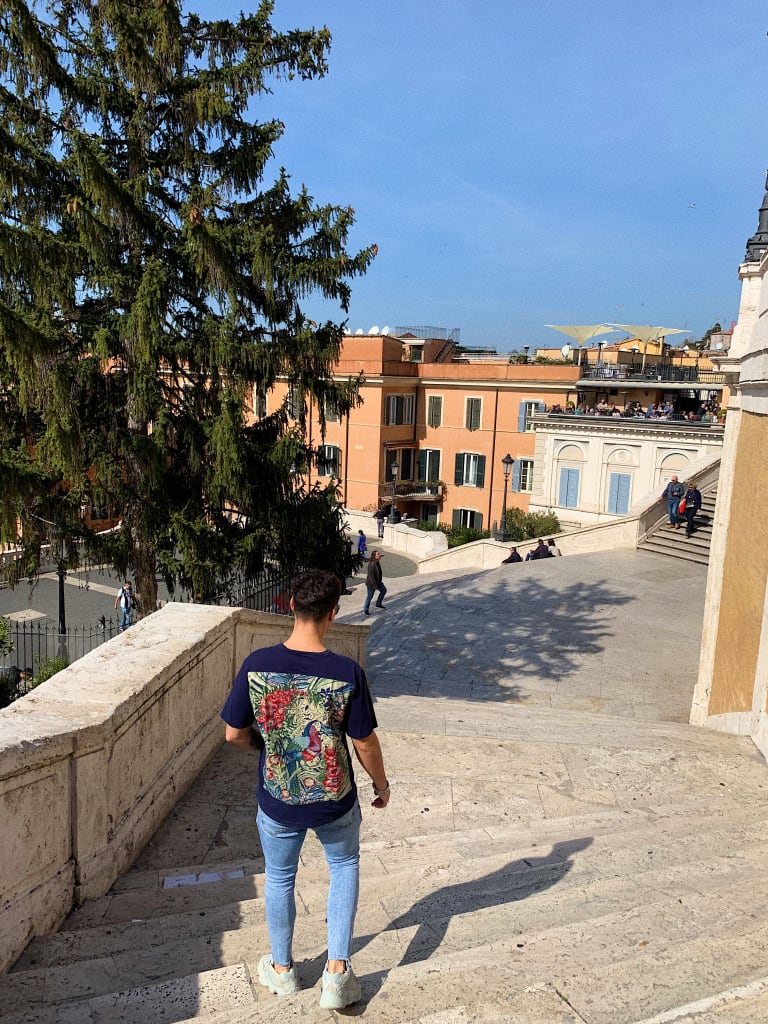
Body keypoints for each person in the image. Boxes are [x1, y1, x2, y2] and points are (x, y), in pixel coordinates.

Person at [221, 570, 390, 1009]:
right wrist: (381, 783)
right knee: (345, 865)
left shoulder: (256, 666)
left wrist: (268, 748)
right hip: (336, 798)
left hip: (278, 797)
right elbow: (364, 741)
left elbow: (232, 734)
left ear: (290, 605)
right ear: (333, 614)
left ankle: (283, 971)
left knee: (279, 878)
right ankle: (336, 975)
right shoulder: (346, 672)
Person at [363, 550, 387, 614]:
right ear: (374, 556)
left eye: (379, 554)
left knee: (384, 590)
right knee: (370, 596)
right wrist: (375, 586)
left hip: (378, 582)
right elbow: (371, 577)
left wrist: (379, 582)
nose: (379, 555)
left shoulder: (377, 562)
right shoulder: (371, 564)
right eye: (378, 554)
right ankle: (365, 610)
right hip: (371, 584)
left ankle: (378, 603)